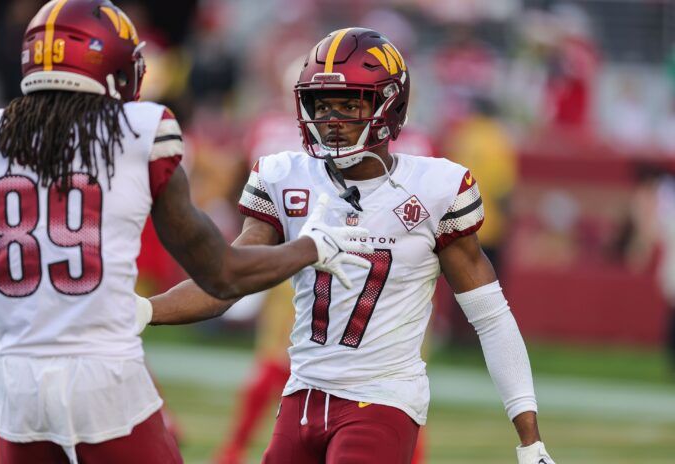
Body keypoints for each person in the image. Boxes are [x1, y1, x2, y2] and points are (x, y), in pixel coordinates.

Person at [0, 3, 372, 463]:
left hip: (15, 383)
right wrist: (311, 247)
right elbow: (222, 275)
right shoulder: (139, 131)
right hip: (103, 377)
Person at [141, 28, 555, 464]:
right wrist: (141, 311)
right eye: (322, 104)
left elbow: (490, 317)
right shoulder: (285, 177)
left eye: (350, 102)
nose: (332, 118)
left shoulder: (434, 189)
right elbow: (226, 277)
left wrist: (529, 439)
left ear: (388, 105)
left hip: (381, 398)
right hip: (302, 393)